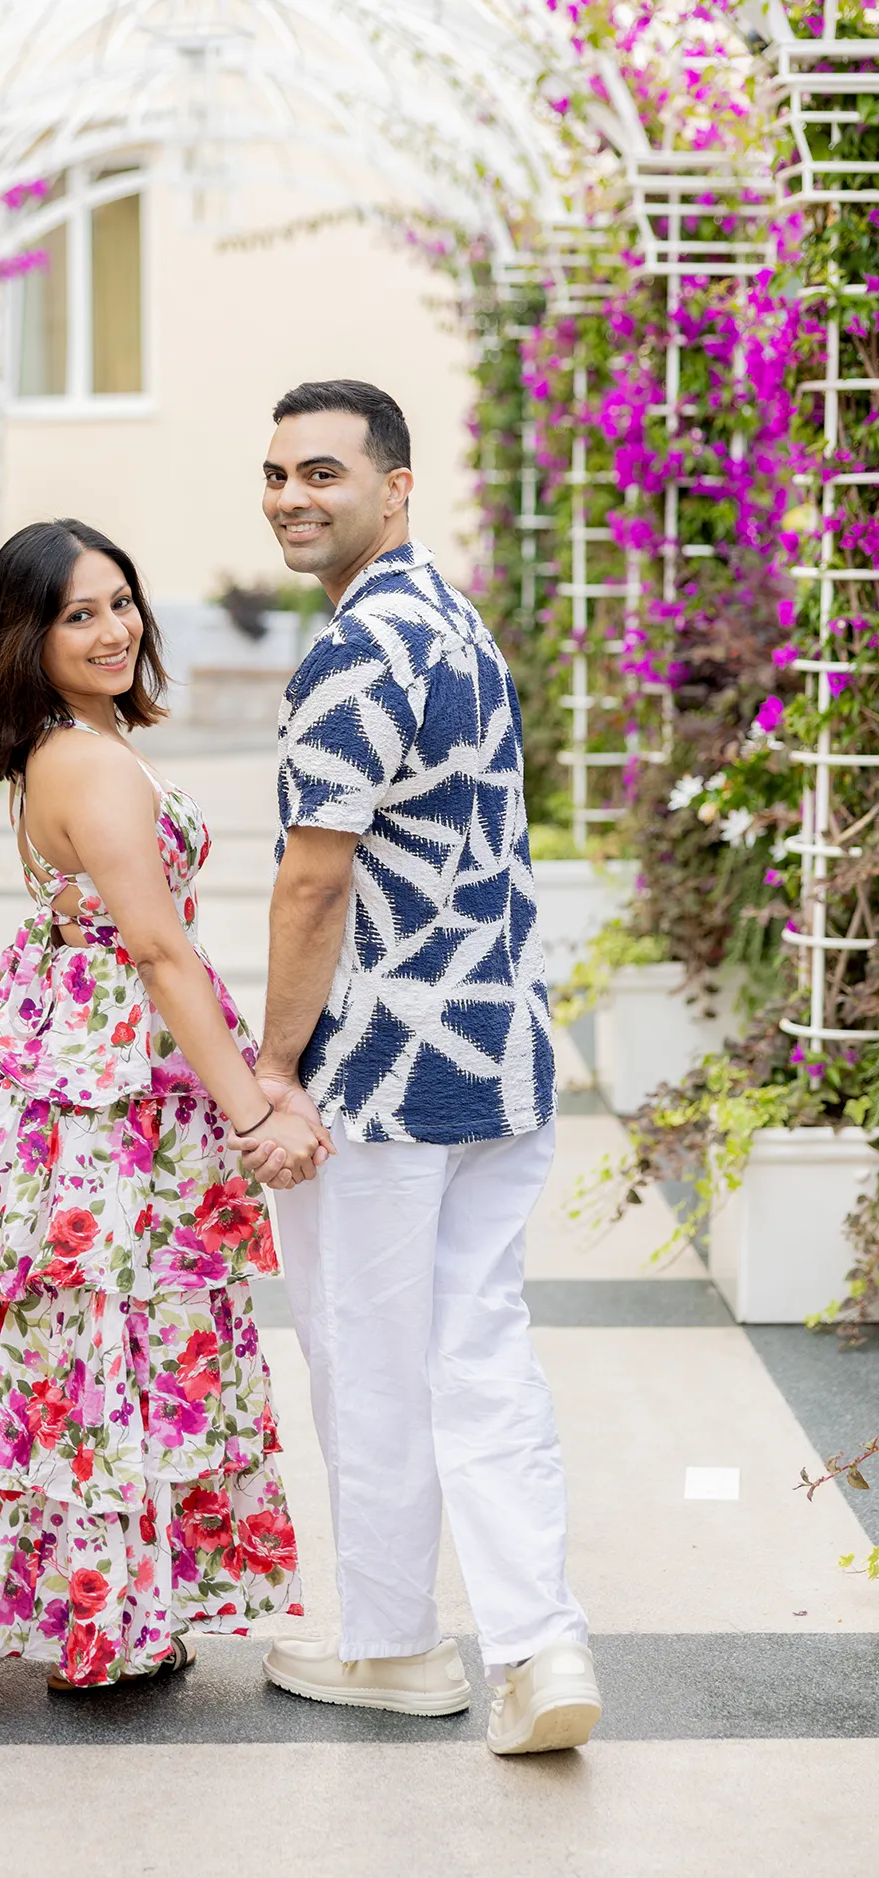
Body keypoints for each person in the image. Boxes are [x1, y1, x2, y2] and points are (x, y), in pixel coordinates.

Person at [0, 518, 316, 1739]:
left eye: (120, 602)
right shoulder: (86, 763)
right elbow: (156, 948)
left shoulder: (74, 742)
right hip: (102, 1099)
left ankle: (103, 1625)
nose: (112, 630)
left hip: (82, 1080)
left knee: (78, 1350)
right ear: (26, 637)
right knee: (70, 1346)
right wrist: (251, 1108)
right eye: (76, 614)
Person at [236, 379, 602, 1756]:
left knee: (371, 1360)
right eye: (276, 473)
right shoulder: (455, 622)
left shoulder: (357, 652)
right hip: (499, 1061)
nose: (291, 496)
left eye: (322, 472)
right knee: (481, 1352)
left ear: (396, 486)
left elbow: (311, 882)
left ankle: (394, 1646)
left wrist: (276, 1067)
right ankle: (540, 1643)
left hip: (385, 1077)